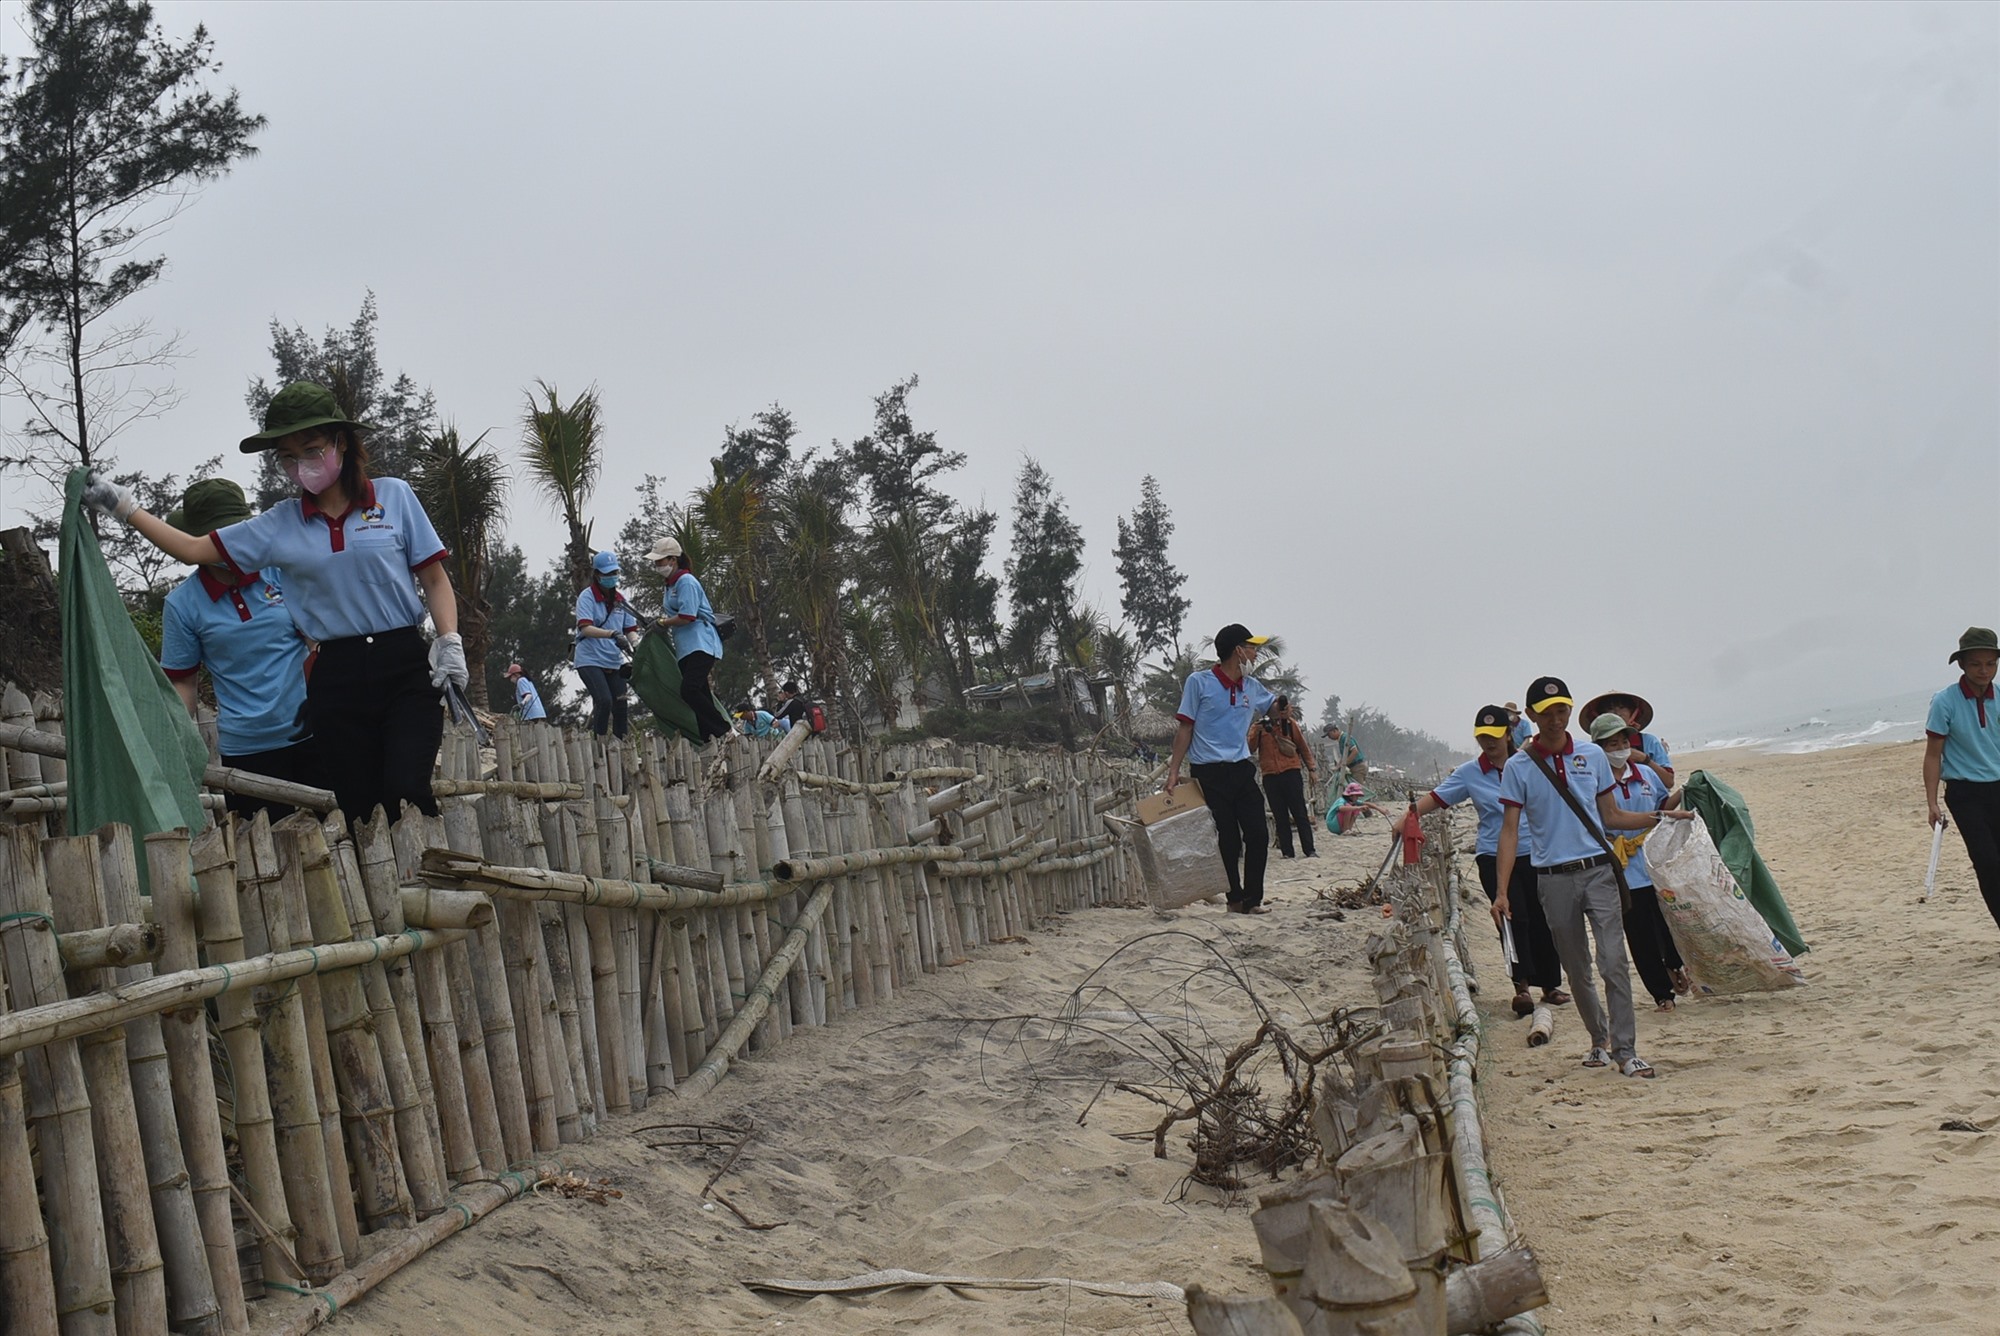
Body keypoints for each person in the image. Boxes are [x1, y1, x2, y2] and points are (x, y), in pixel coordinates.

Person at [85, 380, 464, 825]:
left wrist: (449, 639)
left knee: (406, 789)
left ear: (340, 442)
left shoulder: (394, 496)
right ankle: (378, 888)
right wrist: (123, 507)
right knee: (360, 809)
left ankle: (420, 881)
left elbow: (435, 578)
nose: (301, 463)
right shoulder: (279, 525)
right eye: (287, 456)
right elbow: (192, 549)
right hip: (336, 674)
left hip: (402, 660)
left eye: (311, 448)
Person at [1493, 676, 1698, 1080]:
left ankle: (1627, 1051)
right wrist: (1501, 892)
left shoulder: (1592, 756)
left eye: (1562, 710)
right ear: (1532, 715)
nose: (1556, 719)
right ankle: (1598, 1041)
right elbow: (1510, 831)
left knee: (1614, 962)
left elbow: (1612, 817)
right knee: (1578, 969)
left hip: (1600, 871)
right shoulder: (1518, 766)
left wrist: (1661, 816)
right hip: (1552, 879)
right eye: (1547, 712)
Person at [157, 478, 316, 819]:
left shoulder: (281, 573)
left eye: (235, 532)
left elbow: (318, 644)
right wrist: (169, 734)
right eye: (216, 537)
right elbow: (183, 682)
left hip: (312, 736)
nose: (227, 544)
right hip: (247, 751)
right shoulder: (182, 604)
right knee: (266, 856)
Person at [1409, 705, 1566, 1016]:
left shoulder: (1529, 764)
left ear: (1508, 734)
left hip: (1537, 852)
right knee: (1511, 917)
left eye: (1494, 736)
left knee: (1543, 917)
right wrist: (1407, 818)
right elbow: (1438, 798)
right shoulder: (1470, 772)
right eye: (1482, 737)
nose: (1489, 742)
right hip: (1493, 855)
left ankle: (1550, 984)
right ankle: (1521, 986)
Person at [1164, 623, 1275, 914]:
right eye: (1252, 647)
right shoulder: (1198, 682)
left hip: (1241, 768)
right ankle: (1235, 899)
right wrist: (1174, 770)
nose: (1256, 654)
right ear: (1238, 650)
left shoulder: (1251, 686)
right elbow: (1185, 728)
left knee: (1258, 833)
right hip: (1209, 771)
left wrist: (1282, 709)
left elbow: (1272, 706)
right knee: (1227, 838)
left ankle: (1253, 899)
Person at [1589, 712, 1691, 1011]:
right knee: (1640, 934)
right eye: (1612, 744)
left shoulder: (1645, 775)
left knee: (1669, 924)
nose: (1620, 748)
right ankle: (1662, 993)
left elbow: (1662, 805)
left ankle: (1675, 965)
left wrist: (1685, 793)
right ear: (1598, 748)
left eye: (1623, 741)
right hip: (1619, 868)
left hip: (1655, 862)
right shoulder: (1593, 780)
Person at [1925, 627, 2000, 932]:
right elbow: (1933, 755)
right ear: (1962, 664)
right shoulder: (1945, 701)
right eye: (1976, 664)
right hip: (1965, 793)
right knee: (1988, 863)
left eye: (1990, 664)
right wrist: (1931, 803)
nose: (1984, 671)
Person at [645, 536, 734, 743]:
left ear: (673, 560)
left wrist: (662, 623)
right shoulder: (669, 585)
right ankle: (709, 737)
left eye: (660, 561)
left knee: (689, 690)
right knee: (700, 692)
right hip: (685, 647)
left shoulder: (686, 581)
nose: (657, 565)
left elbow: (687, 616)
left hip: (701, 643)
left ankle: (723, 730)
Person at [574, 550, 638, 739]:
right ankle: (599, 743)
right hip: (590, 659)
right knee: (604, 701)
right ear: (597, 575)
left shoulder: (621, 600)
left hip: (613, 660)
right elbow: (585, 628)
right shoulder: (587, 597)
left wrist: (634, 643)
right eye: (607, 574)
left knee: (621, 704)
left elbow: (630, 628)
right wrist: (611, 634)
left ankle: (621, 745)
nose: (612, 578)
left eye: (614, 573)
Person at [1252, 696, 1317, 858]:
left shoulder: (1290, 724)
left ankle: (1309, 850)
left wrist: (1312, 769)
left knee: (1300, 812)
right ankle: (1287, 852)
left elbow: (1303, 747)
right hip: (1270, 775)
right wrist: (1256, 732)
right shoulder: (1258, 727)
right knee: (1280, 815)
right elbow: (1250, 748)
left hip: (1291, 772)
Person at [1580, 690, 1674, 787]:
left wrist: (1644, 759)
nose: (1617, 713)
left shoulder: (1649, 741)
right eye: (1610, 709)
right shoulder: (1596, 748)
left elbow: (1669, 782)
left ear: (1632, 712)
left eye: (1622, 708)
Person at [1326, 781, 1394, 835]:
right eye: (1356, 795)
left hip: (1338, 824)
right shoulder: (1341, 801)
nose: (1357, 797)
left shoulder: (1352, 801)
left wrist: (1379, 809)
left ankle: (1349, 829)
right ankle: (1345, 830)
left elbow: (1366, 804)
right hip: (1333, 824)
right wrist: (1357, 808)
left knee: (1355, 809)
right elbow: (1341, 808)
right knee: (1350, 808)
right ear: (1351, 796)